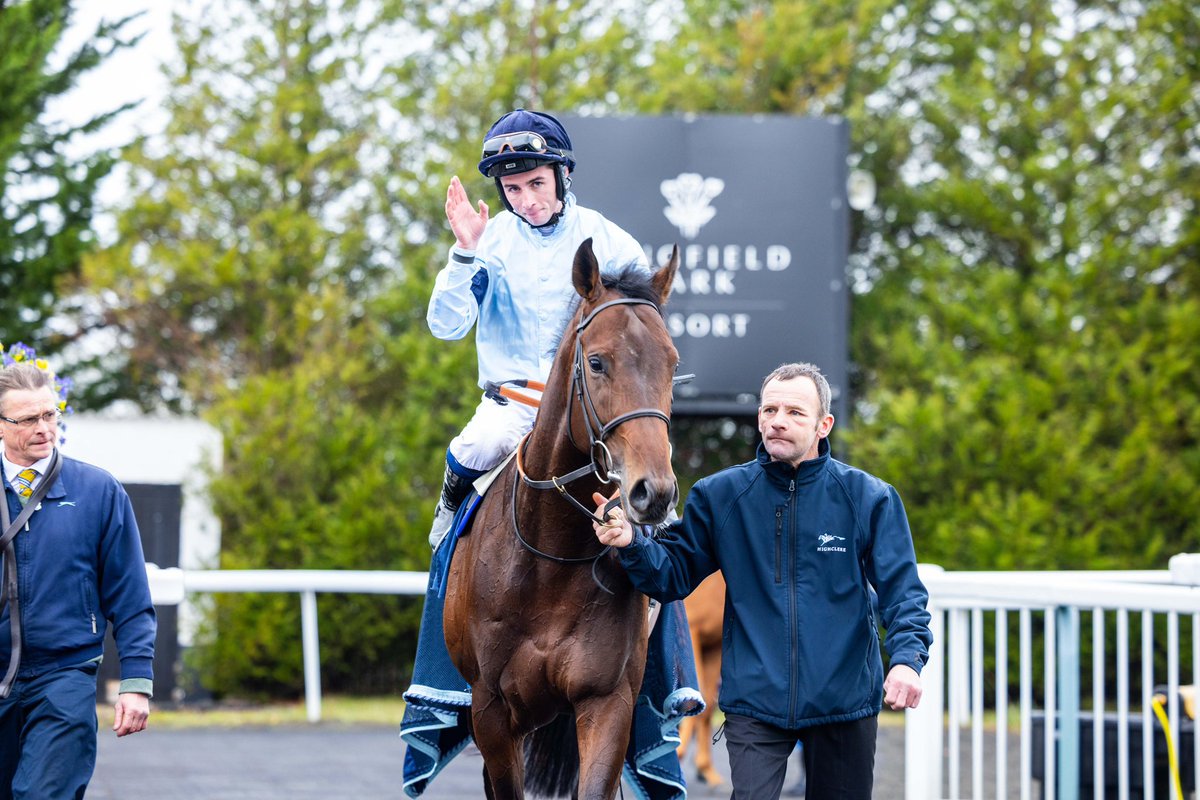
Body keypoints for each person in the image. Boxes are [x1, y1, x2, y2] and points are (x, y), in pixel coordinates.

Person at [593, 362, 932, 800]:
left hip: (844, 701)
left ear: (824, 425)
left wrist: (906, 660)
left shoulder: (869, 497)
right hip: (755, 702)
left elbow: (903, 592)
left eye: (795, 412)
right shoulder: (720, 496)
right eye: (770, 410)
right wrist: (631, 543)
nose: (778, 421)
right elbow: (671, 573)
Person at [425, 108, 648, 547]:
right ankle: (446, 526)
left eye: (536, 184)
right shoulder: (487, 241)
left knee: (654, 476)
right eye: (512, 189)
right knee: (478, 444)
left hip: (596, 406)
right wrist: (465, 251)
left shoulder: (614, 243)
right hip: (513, 406)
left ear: (563, 174)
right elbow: (447, 326)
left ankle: (666, 552)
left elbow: (644, 334)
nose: (526, 200)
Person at [0, 362, 156, 799]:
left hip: (64, 674)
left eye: (49, 414)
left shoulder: (99, 491)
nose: (43, 428)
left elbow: (130, 595)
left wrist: (136, 682)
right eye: (28, 419)